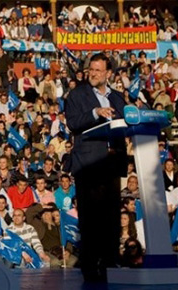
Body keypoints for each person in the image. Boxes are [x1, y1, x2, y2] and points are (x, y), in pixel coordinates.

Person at [65, 53, 127, 283]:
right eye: (91, 69)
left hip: (112, 163)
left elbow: (126, 121)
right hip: (89, 164)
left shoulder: (119, 97)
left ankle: (111, 262)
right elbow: (72, 123)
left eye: (98, 70)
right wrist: (95, 113)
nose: (93, 73)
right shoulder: (77, 95)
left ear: (108, 74)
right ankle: (90, 267)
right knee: (91, 219)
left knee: (111, 217)